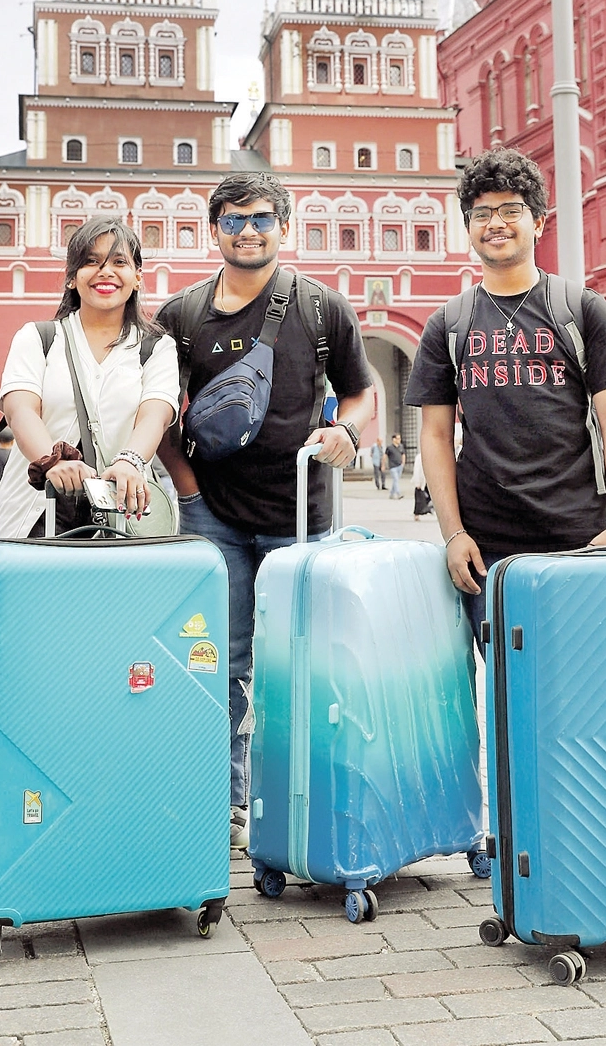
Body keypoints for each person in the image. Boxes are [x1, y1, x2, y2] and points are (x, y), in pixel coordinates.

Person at [155, 172, 375, 849]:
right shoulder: (183, 314)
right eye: (232, 220)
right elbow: (159, 411)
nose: (247, 230)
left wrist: (349, 432)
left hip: (300, 517)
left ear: (284, 224)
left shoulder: (321, 307)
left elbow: (362, 392)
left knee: (301, 661)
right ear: (213, 229)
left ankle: (294, 798)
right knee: (217, 660)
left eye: (260, 218)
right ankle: (222, 799)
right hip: (213, 517)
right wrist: (189, 493)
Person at [406, 148, 606, 647]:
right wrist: (452, 534)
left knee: (588, 680)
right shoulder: (448, 324)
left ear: (538, 223)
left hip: (583, 535)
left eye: (511, 210)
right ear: (468, 227)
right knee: (508, 689)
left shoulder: (583, 310)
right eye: (482, 214)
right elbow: (434, 435)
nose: (497, 223)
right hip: (488, 544)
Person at [0, 218, 179, 540]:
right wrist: (50, 462)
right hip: (39, 508)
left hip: (121, 506)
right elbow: (20, 409)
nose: (105, 272)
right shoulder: (39, 338)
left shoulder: (156, 348)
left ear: (137, 277)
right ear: (71, 278)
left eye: (119, 262)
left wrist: (129, 461)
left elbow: (156, 414)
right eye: (91, 262)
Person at [384, 433, 406, 498]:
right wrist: (384, 465)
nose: (399, 440)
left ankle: (391, 494)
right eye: (398, 438)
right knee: (396, 479)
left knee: (395, 480)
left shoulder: (401, 446)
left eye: (399, 438)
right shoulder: (389, 448)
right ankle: (398, 493)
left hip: (400, 466)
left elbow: (403, 454)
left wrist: (403, 463)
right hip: (393, 466)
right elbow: (385, 456)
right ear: (394, 439)